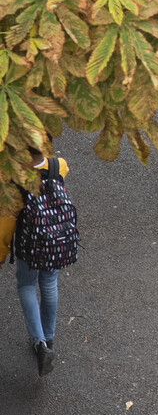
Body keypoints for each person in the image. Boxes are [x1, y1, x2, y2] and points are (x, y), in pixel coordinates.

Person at [10, 148, 73, 376]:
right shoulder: (59, 166)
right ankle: (49, 337)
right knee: (49, 283)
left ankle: (39, 344)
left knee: (26, 285)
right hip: (55, 238)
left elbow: (7, 218)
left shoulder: (16, 175)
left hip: (29, 242)